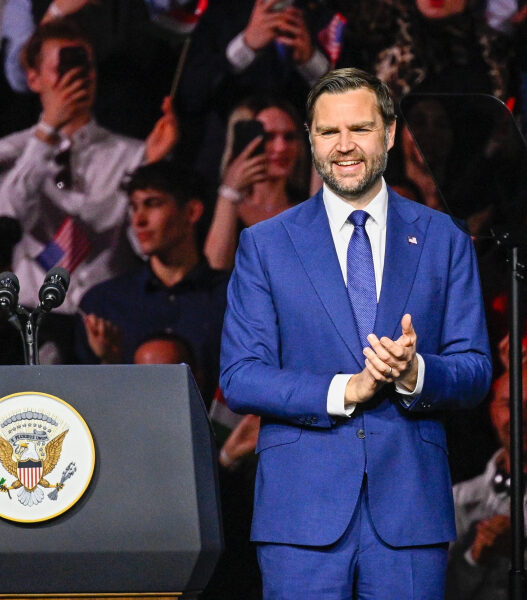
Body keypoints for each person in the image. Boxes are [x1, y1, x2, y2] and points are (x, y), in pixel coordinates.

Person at [220, 67, 492, 599]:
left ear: (388, 134)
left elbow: (475, 368)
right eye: (328, 131)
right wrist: (346, 388)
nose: (344, 145)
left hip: (411, 513)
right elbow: (241, 377)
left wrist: (415, 373)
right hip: (301, 516)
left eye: (360, 129)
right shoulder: (266, 245)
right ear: (311, 139)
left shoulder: (444, 239)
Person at [0, 18, 178, 317]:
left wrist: (153, 169)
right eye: (63, 67)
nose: (77, 77)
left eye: (85, 65)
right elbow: (9, 220)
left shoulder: (132, 154)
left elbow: (144, 247)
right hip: (31, 317)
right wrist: (46, 134)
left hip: (106, 317)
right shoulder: (9, 152)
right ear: (34, 79)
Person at [75, 160, 228, 408]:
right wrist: (110, 362)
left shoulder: (235, 298)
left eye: (153, 204)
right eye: (134, 207)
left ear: (192, 212)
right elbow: (84, 401)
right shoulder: (104, 303)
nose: (139, 220)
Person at [445, 366, 527, 600]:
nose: (520, 416)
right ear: (492, 412)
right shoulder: (459, 499)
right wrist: (474, 557)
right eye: (508, 404)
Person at [204, 96, 308, 270]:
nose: (281, 147)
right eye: (268, 137)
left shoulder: (309, 208)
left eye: (289, 137)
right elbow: (215, 268)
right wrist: (229, 194)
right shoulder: (214, 207)